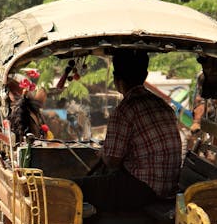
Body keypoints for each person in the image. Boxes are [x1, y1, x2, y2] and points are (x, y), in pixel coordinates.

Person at [75, 49, 182, 213]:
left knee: (75, 187)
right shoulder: (164, 105)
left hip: (144, 188)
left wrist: (103, 152)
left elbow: (112, 161)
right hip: (169, 186)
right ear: (145, 76)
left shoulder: (124, 110)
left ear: (116, 80)